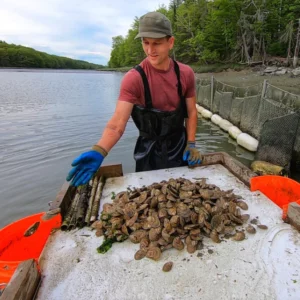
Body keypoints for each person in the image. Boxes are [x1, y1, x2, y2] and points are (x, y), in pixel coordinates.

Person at [66, 11, 202, 187]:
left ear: (171, 42)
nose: (150, 50)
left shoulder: (185, 73)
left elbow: (191, 112)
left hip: (180, 147)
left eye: (157, 43)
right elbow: (117, 123)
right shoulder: (134, 78)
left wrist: (191, 143)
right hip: (148, 151)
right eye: (145, 43)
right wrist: (100, 150)